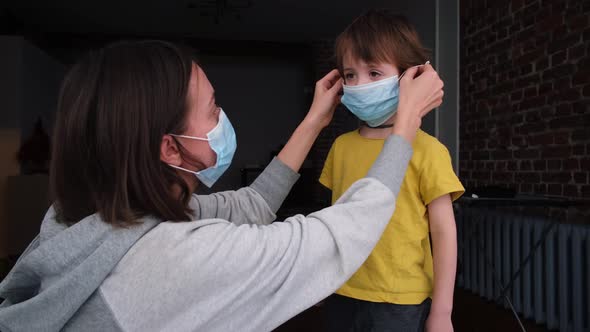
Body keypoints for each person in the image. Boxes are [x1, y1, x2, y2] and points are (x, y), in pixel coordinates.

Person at [0, 39, 443, 332]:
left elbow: (250, 204)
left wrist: (313, 120)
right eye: (212, 110)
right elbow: (335, 237)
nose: (222, 118)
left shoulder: (84, 218)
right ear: (171, 149)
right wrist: (406, 123)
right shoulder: (166, 262)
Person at [320, 10, 465, 332]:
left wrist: (442, 311)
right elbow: (335, 220)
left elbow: (443, 232)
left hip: (400, 300)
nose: (359, 85)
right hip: (342, 290)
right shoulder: (341, 146)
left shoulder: (429, 150)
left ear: (409, 76)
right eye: (350, 75)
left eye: (373, 73)